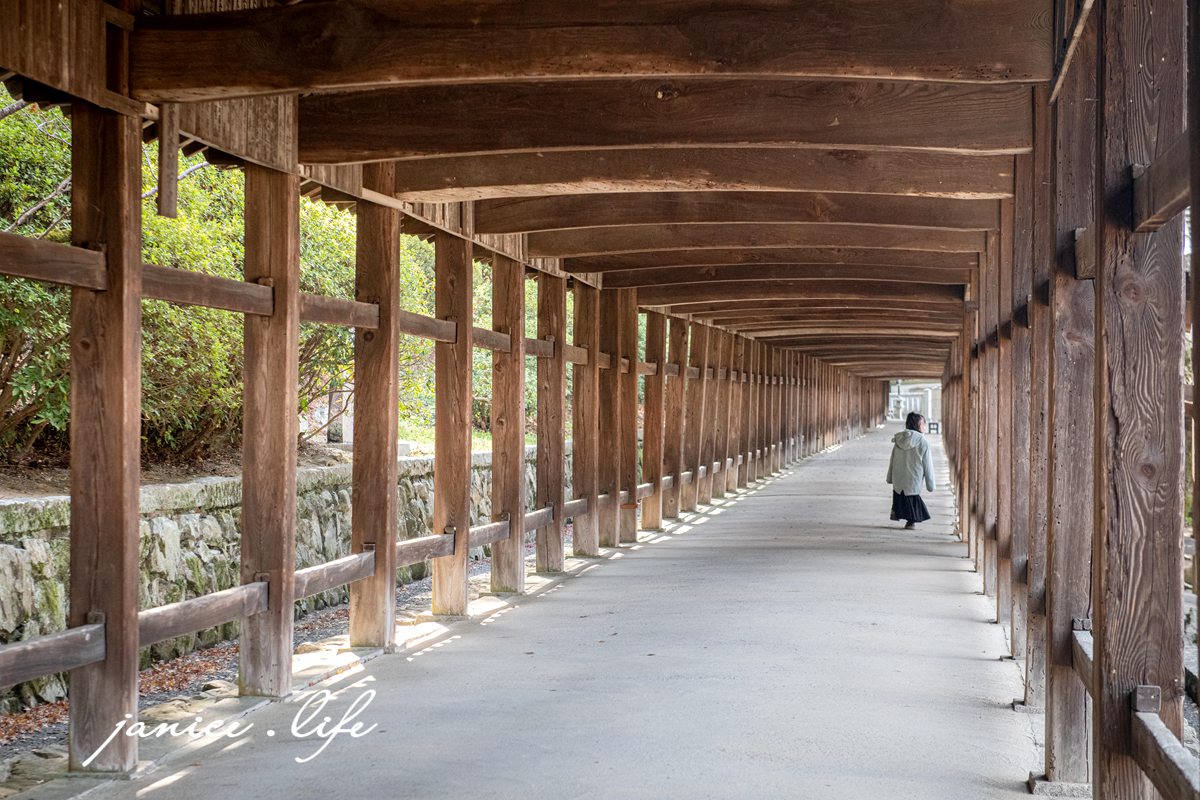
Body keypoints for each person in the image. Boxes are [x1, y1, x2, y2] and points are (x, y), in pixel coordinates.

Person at [886, 412, 935, 529]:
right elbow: (928, 465)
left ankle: (904, 517)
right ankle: (911, 521)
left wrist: (890, 477)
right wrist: (930, 485)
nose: (925, 426)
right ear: (918, 425)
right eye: (923, 424)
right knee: (912, 499)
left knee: (901, 497)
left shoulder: (899, 440)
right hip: (913, 478)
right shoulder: (923, 442)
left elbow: (892, 459)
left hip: (899, 478)